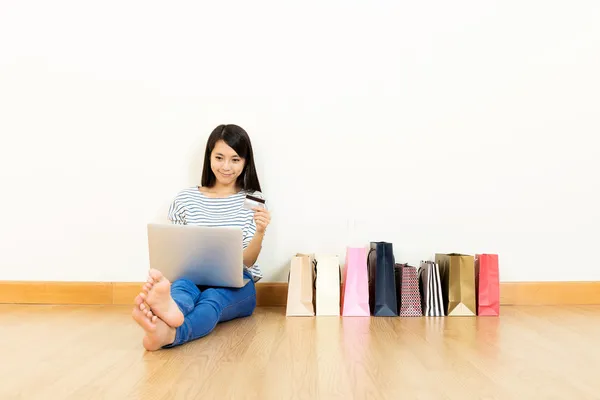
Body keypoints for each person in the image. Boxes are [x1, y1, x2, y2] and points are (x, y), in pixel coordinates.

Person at [131, 124, 271, 351]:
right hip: (191, 277)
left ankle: (171, 331)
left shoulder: (252, 200)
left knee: (213, 299)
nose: (226, 167)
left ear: (245, 162)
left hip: (238, 282)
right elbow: (175, 249)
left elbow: (247, 262)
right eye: (219, 158)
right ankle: (169, 315)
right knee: (182, 288)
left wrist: (260, 232)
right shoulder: (185, 199)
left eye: (235, 160)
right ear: (209, 158)